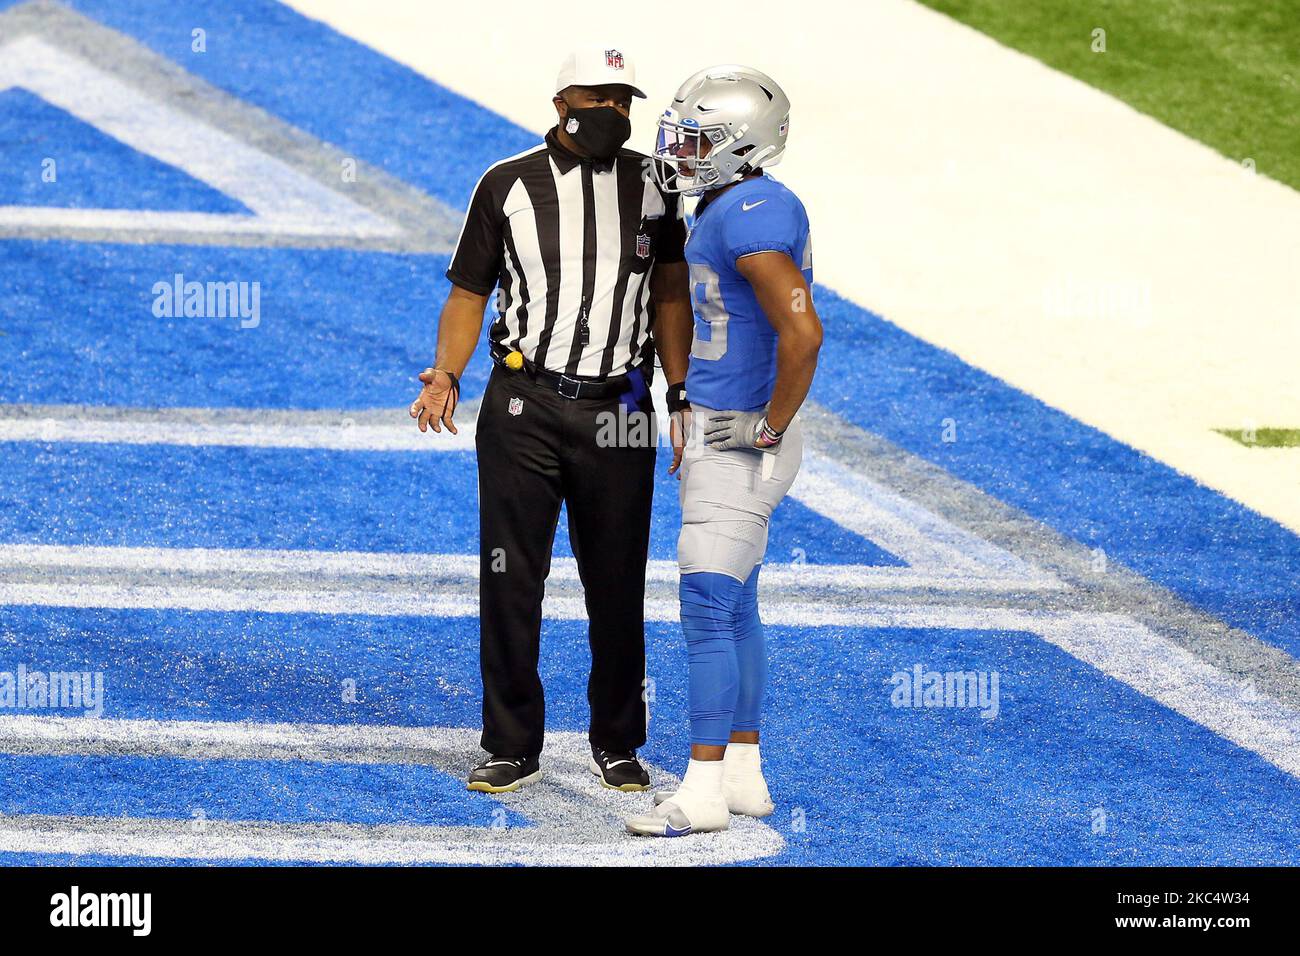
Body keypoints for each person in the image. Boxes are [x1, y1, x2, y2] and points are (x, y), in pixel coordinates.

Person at [409, 48, 693, 794]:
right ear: (564, 97)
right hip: (521, 402)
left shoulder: (656, 186)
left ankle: (619, 741)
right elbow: (470, 291)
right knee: (509, 579)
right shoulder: (506, 184)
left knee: (618, 580)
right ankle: (510, 741)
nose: (617, 113)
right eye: (602, 97)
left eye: (626, 100)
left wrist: (681, 393)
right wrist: (446, 373)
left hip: (623, 403)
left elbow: (670, 293)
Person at [625, 65, 823, 836]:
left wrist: (766, 425)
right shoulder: (734, 200)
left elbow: (802, 331)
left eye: (698, 137)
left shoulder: (751, 213)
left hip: (741, 433)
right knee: (734, 603)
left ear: (745, 144)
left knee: (706, 604)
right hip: (725, 423)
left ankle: (702, 790)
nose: (679, 147)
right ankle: (743, 771)